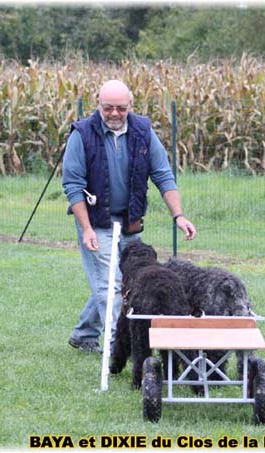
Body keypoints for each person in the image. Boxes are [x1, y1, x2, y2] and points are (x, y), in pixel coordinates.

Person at [62, 80, 196, 354]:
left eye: (121, 109)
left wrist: (178, 216)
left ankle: (84, 333)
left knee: (123, 281)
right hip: (96, 222)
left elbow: (163, 174)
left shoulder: (143, 131)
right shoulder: (82, 134)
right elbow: (73, 185)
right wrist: (86, 228)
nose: (114, 114)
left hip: (131, 223)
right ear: (98, 105)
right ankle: (118, 348)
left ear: (130, 106)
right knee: (107, 284)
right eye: (108, 108)